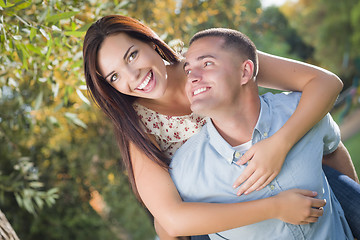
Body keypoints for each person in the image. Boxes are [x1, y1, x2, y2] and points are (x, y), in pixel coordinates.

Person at [82, 15, 357, 239]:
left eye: (131, 56)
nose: (133, 76)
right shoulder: (138, 128)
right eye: (114, 76)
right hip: (223, 212)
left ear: (151, 43)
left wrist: (280, 144)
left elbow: (324, 83)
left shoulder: (208, 59)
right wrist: (275, 208)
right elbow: (172, 220)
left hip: (286, 170)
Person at [170, 28, 355, 239]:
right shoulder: (183, 171)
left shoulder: (301, 109)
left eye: (207, 64)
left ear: (245, 72)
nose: (192, 77)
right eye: (188, 71)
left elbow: (333, 151)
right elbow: (171, 227)